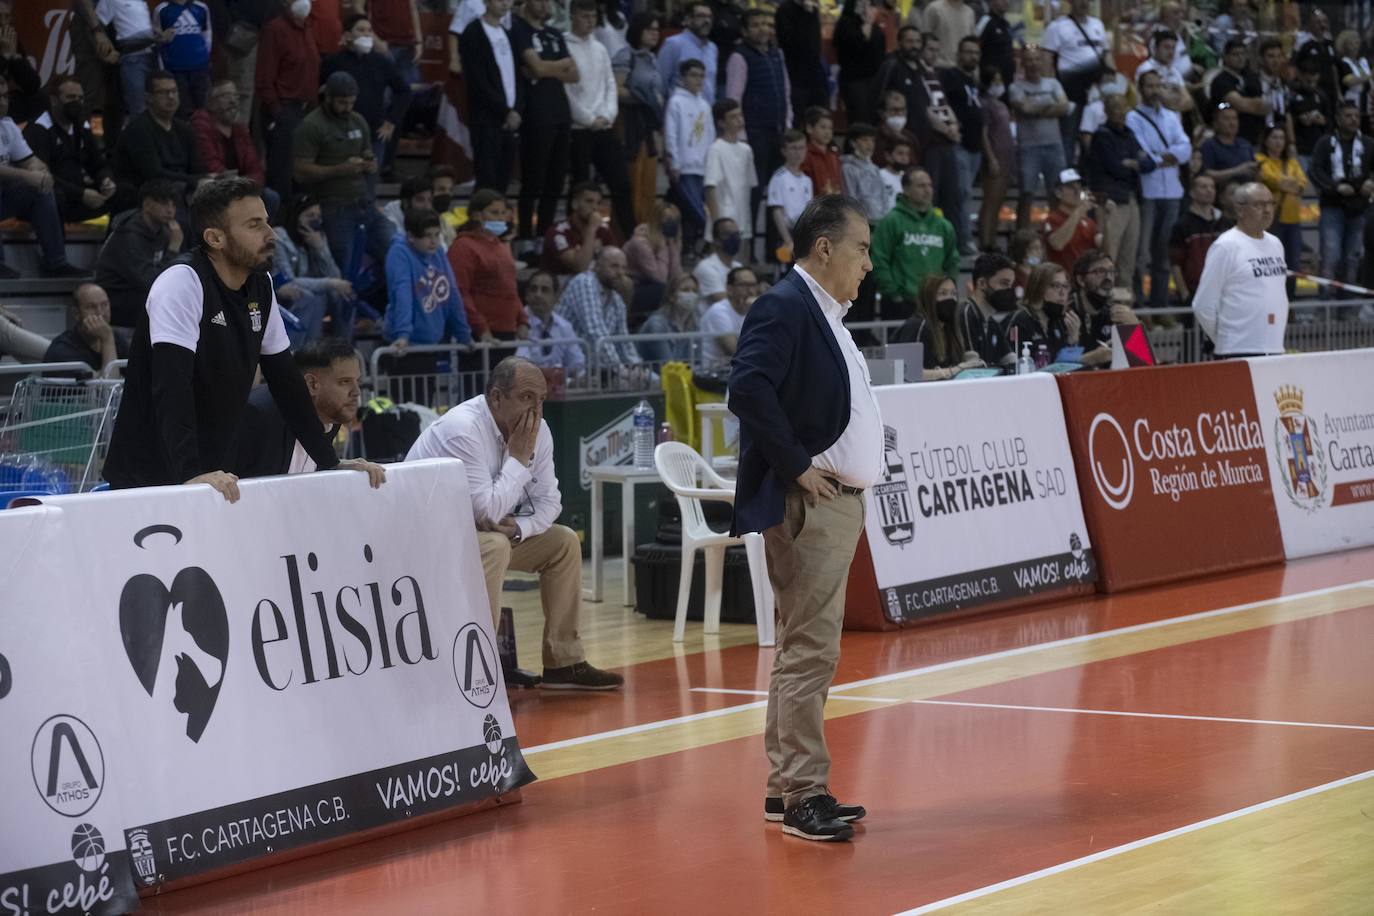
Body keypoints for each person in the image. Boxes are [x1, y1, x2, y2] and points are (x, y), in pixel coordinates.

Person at [728, 195, 878, 842]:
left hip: (834, 501)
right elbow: (747, 387)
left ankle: (782, 788)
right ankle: (801, 793)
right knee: (809, 651)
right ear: (824, 248)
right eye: (861, 248)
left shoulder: (825, 314)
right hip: (810, 502)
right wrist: (796, 467)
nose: (868, 263)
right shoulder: (786, 306)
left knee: (804, 648)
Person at [102, 178, 384, 498]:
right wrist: (190, 474)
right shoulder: (181, 282)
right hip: (149, 477)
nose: (270, 234)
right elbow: (172, 386)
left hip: (213, 472)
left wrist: (329, 461)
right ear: (215, 238)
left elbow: (286, 381)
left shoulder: (260, 284)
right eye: (254, 225)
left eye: (266, 221)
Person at [405, 357, 624, 690]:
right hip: (424, 535)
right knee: (494, 545)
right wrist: (519, 457)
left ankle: (564, 663)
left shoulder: (539, 430)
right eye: (526, 398)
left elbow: (551, 502)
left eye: (541, 400)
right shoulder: (463, 429)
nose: (536, 410)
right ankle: (480, 665)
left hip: (473, 533)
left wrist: (522, 528)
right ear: (496, 397)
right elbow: (488, 512)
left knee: (563, 542)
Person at [293, 71, 394, 280]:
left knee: (395, 251)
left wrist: (369, 161)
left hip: (364, 204)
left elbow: (366, 150)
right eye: (341, 103)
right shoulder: (312, 126)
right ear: (327, 97)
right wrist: (340, 170)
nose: (347, 108)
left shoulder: (358, 120)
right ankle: (342, 313)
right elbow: (300, 171)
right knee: (344, 269)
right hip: (334, 208)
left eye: (351, 102)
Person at [232, 337, 362, 478]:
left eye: (357, 381)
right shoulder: (258, 416)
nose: (356, 392)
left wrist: (335, 465)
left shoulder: (330, 415)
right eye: (345, 382)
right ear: (312, 384)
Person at [564, 0, 636, 239]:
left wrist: (608, 114)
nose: (589, 21)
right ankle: (574, 237)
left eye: (592, 16)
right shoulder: (564, 45)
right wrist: (587, 118)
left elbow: (609, 84)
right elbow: (565, 90)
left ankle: (630, 238)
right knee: (579, 185)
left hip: (604, 125)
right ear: (573, 15)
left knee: (622, 185)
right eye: (584, 16)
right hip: (578, 127)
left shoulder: (600, 48)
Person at [321, 14, 413, 196]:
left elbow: (404, 91)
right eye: (361, 30)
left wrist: (391, 121)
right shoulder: (333, 61)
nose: (366, 34)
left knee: (369, 188)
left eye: (369, 30)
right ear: (348, 35)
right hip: (339, 134)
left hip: (373, 135)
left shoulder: (381, 62)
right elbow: (321, 93)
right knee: (340, 186)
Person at [1193, 182, 1288, 357]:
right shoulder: (1226, 246)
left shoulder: (1275, 243)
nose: (1267, 210)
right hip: (1237, 349)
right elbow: (1202, 305)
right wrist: (1224, 340)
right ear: (1240, 210)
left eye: (1270, 203)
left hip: (1274, 348)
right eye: (1259, 204)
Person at [514, 0, 577, 240]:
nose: (543, 5)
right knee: (533, 182)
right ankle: (525, 238)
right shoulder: (519, 30)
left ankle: (544, 236)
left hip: (561, 113)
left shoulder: (554, 34)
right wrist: (555, 67)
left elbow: (574, 74)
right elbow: (538, 68)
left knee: (555, 182)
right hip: (536, 115)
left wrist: (542, 69)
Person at [1128, 69, 1191, 309]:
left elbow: (1185, 148)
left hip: (1172, 191)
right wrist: (1166, 157)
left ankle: (1160, 305)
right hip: (1148, 190)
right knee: (1142, 254)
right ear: (1141, 88)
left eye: (1158, 86)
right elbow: (1142, 154)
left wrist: (1162, 157)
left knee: (1164, 254)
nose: (1154, 91)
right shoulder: (1133, 118)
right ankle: (1141, 307)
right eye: (1150, 86)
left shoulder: (1171, 116)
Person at [1084, 94, 1151, 296]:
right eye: (1115, 108)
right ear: (1106, 111)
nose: (1120, 112)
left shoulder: (1130, 134)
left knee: (1128, 261)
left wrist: (1131, 163)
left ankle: (1125, 316)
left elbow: (1149, 163)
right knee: (1107, 258)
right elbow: (1115, 167)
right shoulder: (1101, 135)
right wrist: (1134, 164)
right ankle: (1102, 309)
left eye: (1123, 108)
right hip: (1112, 201)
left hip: (1131, 199)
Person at [24, 77, 115, 224]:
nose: (77, 102)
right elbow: (42, 177)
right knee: (54, 196)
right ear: (54, 100)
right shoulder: (38, 129)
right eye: (71, 97)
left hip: (81, 194)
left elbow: (97, 163)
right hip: (53, 196)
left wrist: (106, 180)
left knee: (126, 193)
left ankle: (113, 243)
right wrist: (81, 194)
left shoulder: (82, 125)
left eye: (80, 98)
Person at [111, 70, 205, 213]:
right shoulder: (138, 129)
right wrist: (194, 181)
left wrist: (204, 180)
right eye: (163, 92)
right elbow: (153, 173)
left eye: (174, 91)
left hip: (183, 189)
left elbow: (198, 168)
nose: (171, 96)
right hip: (147, 196)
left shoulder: (184, 129)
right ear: (148, 97)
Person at [1308, 102, 1374, 304]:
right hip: (1332, 207)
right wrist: (1334, 187)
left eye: (1356, 116)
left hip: (1359, 208)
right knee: (1331, 257)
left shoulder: (1368, 143)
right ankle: (1325, 304)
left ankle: (1348, 308)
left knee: (1353, 259)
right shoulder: (1326, 142)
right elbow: (1315, 171)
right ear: (1337, 119)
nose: (1353, 119)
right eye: (1348, 115)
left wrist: (1371, 182)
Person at [96, 179, 184, 327]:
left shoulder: (163, 231)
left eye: (173, 205)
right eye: (164, 203)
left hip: (138, 294)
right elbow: (149, 281)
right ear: (147, 204)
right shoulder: (129, 235)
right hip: (116, 299)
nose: (170, 210)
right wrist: (173, 250)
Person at [256, 0, 321, 202]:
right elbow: (264, 77)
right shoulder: (275, 29)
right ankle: (279, 224)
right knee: (281, 173)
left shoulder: (308, 26)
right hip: (284, 108)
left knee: (303, 172)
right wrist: (277, 111)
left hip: (306, 108)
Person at [726, 8, 792, 208]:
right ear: (744, 31)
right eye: (755, 25)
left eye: (766, 24)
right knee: (754, 194)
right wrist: (740, 135)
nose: (762, 29)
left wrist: (787, 123)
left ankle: (776, 240)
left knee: (777, 195)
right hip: (754, 134)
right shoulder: (739, 56)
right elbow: (733, 98)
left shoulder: (777, 54)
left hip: (778, 132)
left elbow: (786, 91)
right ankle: (751, 238)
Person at [272, 194, 357, 347]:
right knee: (315, 298)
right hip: (281, 295)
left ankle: (344, 348)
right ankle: (306, 352)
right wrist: (330, 283)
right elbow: (288, 280)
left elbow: (335, 276)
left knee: (345, 295)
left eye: (318, 216)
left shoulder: (317, 237)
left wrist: (320, 249)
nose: (315, 220)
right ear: (296, 216)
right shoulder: (279, 236)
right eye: (310, 215)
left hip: (308, 292)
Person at [870, 166, 958, 310]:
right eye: (921, 186)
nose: (927, 190)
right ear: (905, 189)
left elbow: (952, 261)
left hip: (936, 302)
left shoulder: (943, 225)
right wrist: (894, 293)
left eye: (930, 185)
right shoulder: (891, 221)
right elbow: (879, 260)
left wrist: (946, 289)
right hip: (900, 303)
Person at [384, 208, 472, 351]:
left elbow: (452, 292)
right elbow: (402, 294)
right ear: (411, 236)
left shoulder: (438, 252)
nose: (434, 241)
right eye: (427, 236)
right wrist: (403, 334)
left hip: (434, 340)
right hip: (405, 344)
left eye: (437, 235)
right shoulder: (399, 253)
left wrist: (463, 334)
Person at [461, 0, 523, 195]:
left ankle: (499, 222)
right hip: (487, 118)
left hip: (510, 118)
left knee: (503, 179)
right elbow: (478, 81)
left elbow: (516, 76)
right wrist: (504, 111)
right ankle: (482, 223)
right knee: (487, 180)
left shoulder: (507, 33)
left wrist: (516, 110)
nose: (505, 4)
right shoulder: (473, 32)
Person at [449, 189, 526, 342]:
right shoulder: (463, 247)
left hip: (507, 330)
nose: (501, 218)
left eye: (503, 213)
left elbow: (510, 289)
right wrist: (481, 329)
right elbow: (459, 291)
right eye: (494, 213)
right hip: (481, 334)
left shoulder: (501, 246)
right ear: (477, 215)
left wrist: (522, 320)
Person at [191, 79, 276, 214]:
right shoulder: (202, 125)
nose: (233, 101)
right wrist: (236, 184)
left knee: (271, 197)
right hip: (216, 184)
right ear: (211, 103)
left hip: (240, 186)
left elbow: (255, 167)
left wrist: (245, 184)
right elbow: (209, 162)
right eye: (226, 96)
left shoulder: (239, 129)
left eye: (235, 96)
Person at [1010, 46, 1070, 231]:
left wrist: (1035, 107)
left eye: (1037, 59)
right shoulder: (1016, 87)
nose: (1034, 63)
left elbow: (1064, 107)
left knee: (1057, 193)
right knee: (1026, 193)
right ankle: (1022, 236)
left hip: (1054, 145)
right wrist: (1049, 105)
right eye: (1029, 60)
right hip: (1029, 147)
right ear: (1023, 63)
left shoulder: (1053, 83)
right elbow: (1024, 109)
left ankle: (1056, 232)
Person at [615, 12, 666, 227]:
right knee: (632, 182)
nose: (655, 34)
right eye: (649, 29)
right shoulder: (625, 55)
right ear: (637, 30)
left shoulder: (653, 58)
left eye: (657, 30)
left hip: (649, 125)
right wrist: (642, 99)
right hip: (630, 123)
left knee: (648, 186)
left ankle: (644, 232)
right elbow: (616, 89)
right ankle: (626, 234)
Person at [1041, 0, 1107, 163]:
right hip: (1069, 92)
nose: (1084, 3)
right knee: (1068, 137)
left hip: (1095, 93)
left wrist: (1112, 81)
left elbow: (1106, 54)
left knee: (1095, 136)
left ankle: (1090, 177)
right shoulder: (1057, 27)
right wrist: (1049, 90)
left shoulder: (1097, 24)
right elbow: (1047, 60)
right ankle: (1066, 179)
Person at [557, 246, 640, 369]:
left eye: (623, 268)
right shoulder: (585, 282)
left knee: (652, 380)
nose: (620, 273)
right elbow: (595, 331)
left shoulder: (616, 300)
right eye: (614, 266)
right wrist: (620, 370)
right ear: (597, 266)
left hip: (592, 370)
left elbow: (624, 340)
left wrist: (637, 367)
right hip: (564, 366)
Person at [664, 59, 715, 250]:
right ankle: (712, 238)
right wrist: (674, 162)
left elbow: (710, 137)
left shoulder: (705, 105)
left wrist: (711, 165)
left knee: (689, 211)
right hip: (684, 167)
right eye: (693, 75)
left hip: (703, 167)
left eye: (702, 76)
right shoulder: (675, 102)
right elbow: (671, 133)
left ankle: (692, 247)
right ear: (683, 77)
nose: (698, 80)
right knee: (694, 209)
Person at [891, 273, 982, 379]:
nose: (950, 298)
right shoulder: (917, 327)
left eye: (953, 293)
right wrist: (956, 370)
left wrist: (967, 360)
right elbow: (908, 373)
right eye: (942, 294)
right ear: (928, 298)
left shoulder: (949, 328)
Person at [1256, 125, 1307, 300]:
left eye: (1281, 138)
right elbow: (1268, 178)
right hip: (1271, 220)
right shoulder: (1260, 159)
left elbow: (1301, 183)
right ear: (1266, 140)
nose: (1278, 142)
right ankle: (1270, 301)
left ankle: (1289, 303)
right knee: (1271, 262)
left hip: (1293, 219)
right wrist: (1286, 182)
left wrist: (1283, 183)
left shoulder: (1292, 162)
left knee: (1292, 263)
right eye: (1274, 138)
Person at [1169, 173, 1232, 305]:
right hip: (1195, 293)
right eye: (1203, 187)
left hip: (1226, 292)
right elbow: (1176, 264)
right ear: (1192, 193)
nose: (1209, 190)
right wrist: (1185, 294)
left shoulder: (1225, 223)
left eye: (1212, 187)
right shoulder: (1182, 225)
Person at [1001, 261, 1081, 363]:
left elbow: (1067, 367)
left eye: (1065, 286)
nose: (1062, 292)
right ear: (1038, 288)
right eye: (1056, 286)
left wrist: (1073, 341)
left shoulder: (1059, 321)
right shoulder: (1019, 321)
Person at [43, 283, 130, 375]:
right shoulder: (62, 350)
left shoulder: (118, 340)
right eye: (91, 307)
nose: (100, 313)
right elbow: (106, 388)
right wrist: (107, 339)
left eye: (104, 305)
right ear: (76, 313)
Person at [623, 200, 683, 326]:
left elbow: (676, 276)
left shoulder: (670, 241)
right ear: (657, 221)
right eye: (667, 219)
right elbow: (660, 278)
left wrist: (672, 246)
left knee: (682, 289)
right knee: (662, 290)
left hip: (651, 286)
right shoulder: (640, 242)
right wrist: (662, 247)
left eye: (675, 220)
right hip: (632, 290)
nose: (671, 223)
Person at [705, 99, 757, 245]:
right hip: (724, 218)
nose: (739, 120)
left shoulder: (746, 150)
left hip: (743, 219)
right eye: (733, 117)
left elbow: (749, 186)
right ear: (721, 122)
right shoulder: (716, 149)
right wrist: (717, 224)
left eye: (740, 115)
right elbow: (710, 188)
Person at [517, 269, 587, 371]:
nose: (538, 294)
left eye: (544, 290)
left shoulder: (564, 326)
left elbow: (577, 364)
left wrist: (573, 379)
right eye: (533, 289)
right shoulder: (518, 324)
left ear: (556, 297)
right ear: (526, 295)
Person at [541, 181, 614, 277]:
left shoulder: (603, 230)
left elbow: (613, 264)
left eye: (598, 203)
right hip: (562, 287)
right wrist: (591, 229)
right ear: (575, 204)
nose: (595, 207)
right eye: (589, 201)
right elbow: (580, 267)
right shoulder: (557, 232)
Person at [152, 0, 212, 116]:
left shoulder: (201, 8)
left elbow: (207, 35)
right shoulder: (162, 10)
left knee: (203, 109)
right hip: (174, 69)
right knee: (181, 110)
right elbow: (157, 40)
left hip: (199, 68)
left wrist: (204, 59)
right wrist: (163, 69)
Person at [774, 0, 827, 125]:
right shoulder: (784, 10)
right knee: (798, 119)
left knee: (820, 116)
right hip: (795, 74)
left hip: (815, 73)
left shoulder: (812, 10)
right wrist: (807, 16)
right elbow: (791, 43)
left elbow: (815, 44)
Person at [834, 0, 886, 127]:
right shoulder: (845, 24)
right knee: (860, 120)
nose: (868, 8)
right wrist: (867, 23)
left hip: (874, 79)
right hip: (855, 80)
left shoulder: (875, 27)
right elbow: (858, 43)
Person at [958, 251, 1014, 366]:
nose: (1009, 290)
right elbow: (972, 366)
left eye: (1011, 285)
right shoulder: (965, 314)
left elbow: (1010, 359)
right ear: (982, 283)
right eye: (1004, 283)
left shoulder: (991, 322)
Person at [978, 65, 1012, 251]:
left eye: (1000, 81)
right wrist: (991, 158)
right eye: (995, 81)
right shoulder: (985, 104)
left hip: (1007, 157)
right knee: (990, 201)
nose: (999, 84)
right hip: (995, 157)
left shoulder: (1001, 104)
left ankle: (992, 237)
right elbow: (984, 133)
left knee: (999, 202)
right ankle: (985, 241)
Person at [1042, 167, 1101, 274]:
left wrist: (1107, 220)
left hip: (1085, 282)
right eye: (1071, 187)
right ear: (1058, 192)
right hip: (1062, 283)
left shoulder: (1089, 222)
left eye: (1080, 187)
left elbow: (1105, 251)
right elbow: (1057, 244)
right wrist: (1078, 212)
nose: (1077, 191)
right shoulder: (1052, 219)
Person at [1209, 39, 1268, 147]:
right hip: (1232, 139)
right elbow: (1242, 104)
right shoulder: (1220, 80)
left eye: (1243, 54)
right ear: (1225, 57)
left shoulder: (1252, 77)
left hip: (1256, 136)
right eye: (1235, 54)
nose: (1240, 58)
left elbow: (1263, 105)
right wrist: (1257, 104)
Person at [658, 1, 718, 103]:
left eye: (709, 17)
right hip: (680, 112)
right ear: (687, 20)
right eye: (701, 16)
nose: (707, 21)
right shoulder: (673, 44)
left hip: (706, 112)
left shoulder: (712, 48)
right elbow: (661, 84)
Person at [767, 130, 813, 261]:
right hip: (786, 233)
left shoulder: (807, 180)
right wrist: (788, 241)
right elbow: (777, 211)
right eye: (793, 148)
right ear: (784, 151)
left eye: (801, 148)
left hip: (803, 235)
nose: (798, 152)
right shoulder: (779, 177)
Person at [637, 273, 701, 363]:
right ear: (671, 297)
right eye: (685, 290)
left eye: (694, 291)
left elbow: (697, 362)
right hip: (655, 375)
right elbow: (668, 364)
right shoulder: (656, 324)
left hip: (682, 375)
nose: (691, 295)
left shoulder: (695, 323)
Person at [700, 265, 756, 366]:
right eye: (744, 285)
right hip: (713, 374)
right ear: (730, 289)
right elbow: (736, 351)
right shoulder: (718, 311)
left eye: (753, 285)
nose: (751, 291)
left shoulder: (753, 310)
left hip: (740, 371)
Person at [1201, 104, 1258, 197]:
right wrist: (1237, 171)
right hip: (1221, 196)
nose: (1232, 123)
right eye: (1226, 119)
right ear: (1216, 123)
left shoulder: (1245, 144)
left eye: (1234, 118)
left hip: (1247, 196)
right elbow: (1207, 174)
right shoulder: (1209, 145)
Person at [1291, 61, 1333, 174]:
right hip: (1300, 149)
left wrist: (1323, 121)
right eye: (1308, 81)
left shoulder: (1321, 96)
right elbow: (1285, 120)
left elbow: (1330, 122)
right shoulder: (1292, 95)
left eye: (1315, 82)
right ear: (1300, 76)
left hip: (1318, 147)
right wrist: (1299, 120)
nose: (1312, 85)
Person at [1134, 30, 1193, 113]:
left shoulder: (1175, 71)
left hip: (1174, 122)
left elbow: (1189, 102)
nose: (1171, 52)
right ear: (1155, 48)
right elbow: (1163, 101)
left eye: (1173, 48)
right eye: (1166, 47)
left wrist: (1172, 104)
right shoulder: (1145, 69)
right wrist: (1178, 96)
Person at [841, 123, 886, 222]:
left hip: (880, 221)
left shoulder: (875, 168)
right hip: (862, 222)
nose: (870, 144)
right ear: (853, 143)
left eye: (872, 140)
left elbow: (884, 196)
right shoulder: (848, 168)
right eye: (865, 140)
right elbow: (850, 198)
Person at [694, 217, 744, 304]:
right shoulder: (706, 267)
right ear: (716, 240)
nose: (734, 238)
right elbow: (724, 300)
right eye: (728, 234)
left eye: (736, 234)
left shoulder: (738, 267)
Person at [918, 0, 973, 69]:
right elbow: (924, 38)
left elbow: (972, 43)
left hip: (961, 69)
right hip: (939, 67)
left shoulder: (969, 12)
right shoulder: (934, 8)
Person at [976, 0, 1013, 88]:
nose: (1006, 2)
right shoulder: (985, 21)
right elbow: (975, 46)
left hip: (1007, 79)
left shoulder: (1006, 24)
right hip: (990, 81)